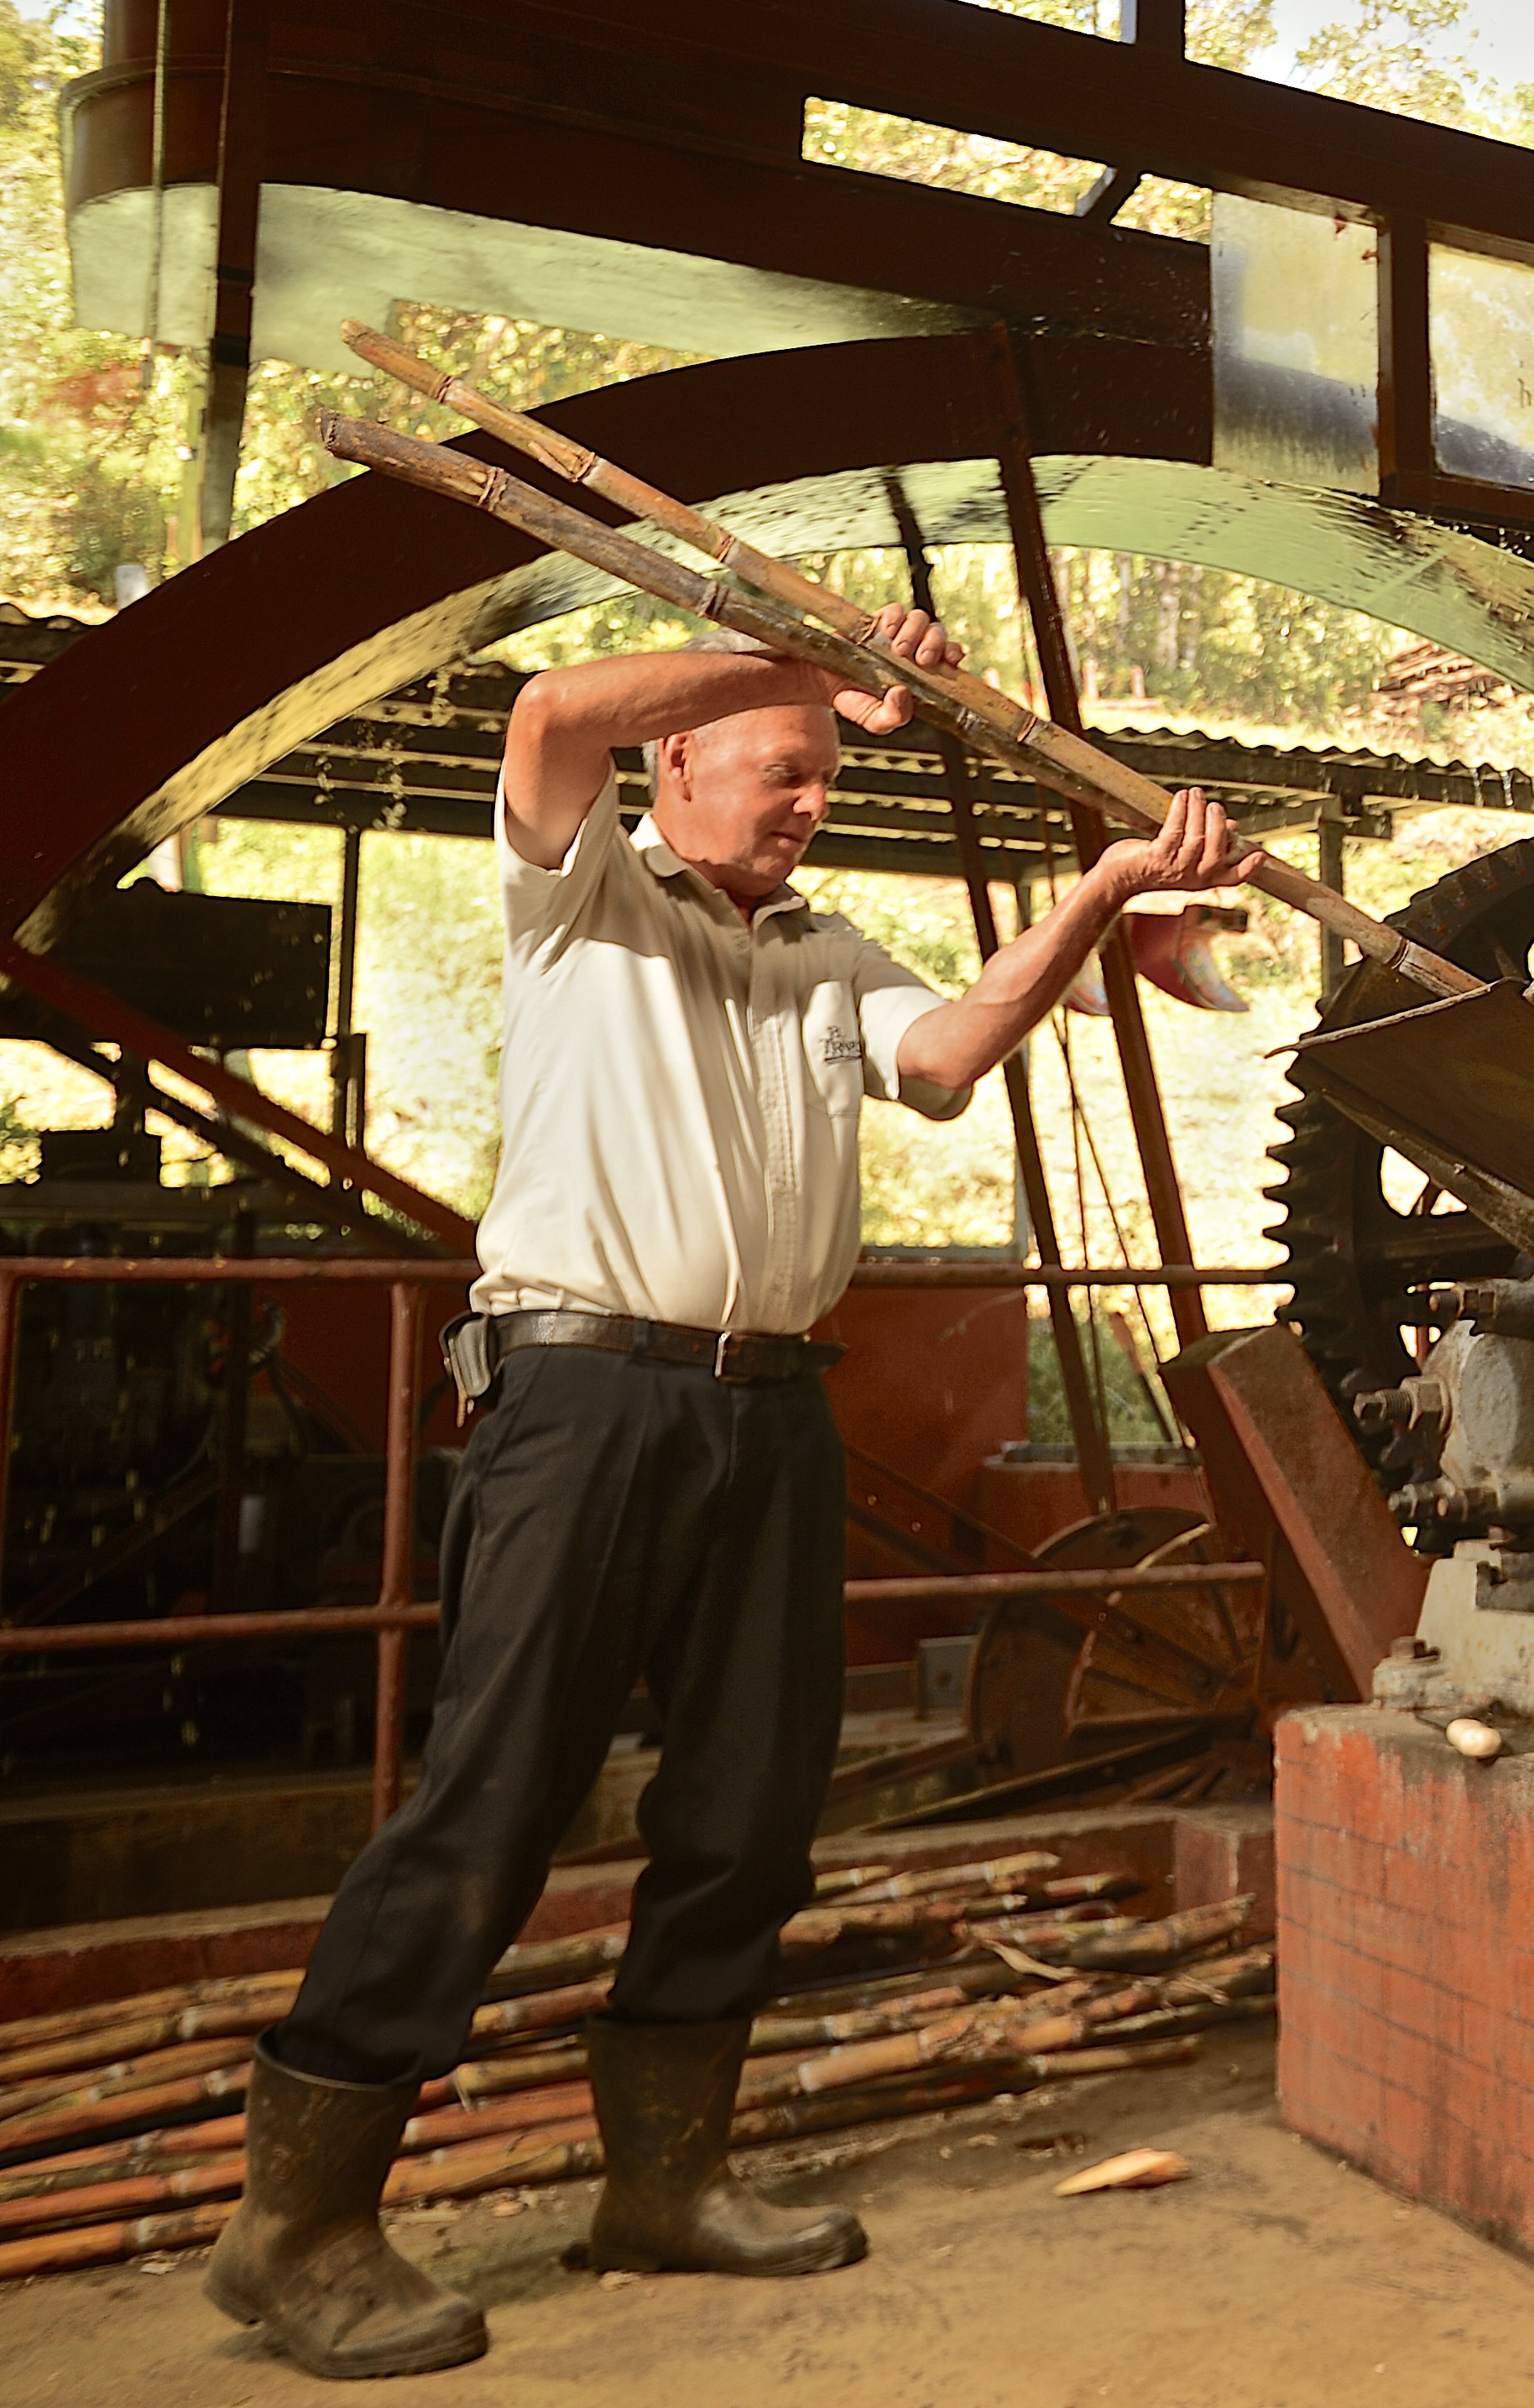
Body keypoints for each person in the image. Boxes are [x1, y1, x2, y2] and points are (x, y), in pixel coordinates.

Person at [206, 611, 1262, 2379]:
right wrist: (797, 647)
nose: (809, 804)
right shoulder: (582, 893)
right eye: (785, 769)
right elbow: (553, 705)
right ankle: (297, 2223)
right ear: (679, 756)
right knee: (495, 1801)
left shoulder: (825, 951)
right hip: (580, 1397)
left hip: (768, 1408)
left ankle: (666, 2180)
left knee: (754, 1807)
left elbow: (946, 1061)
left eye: (826, 779)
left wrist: (1099, 895)